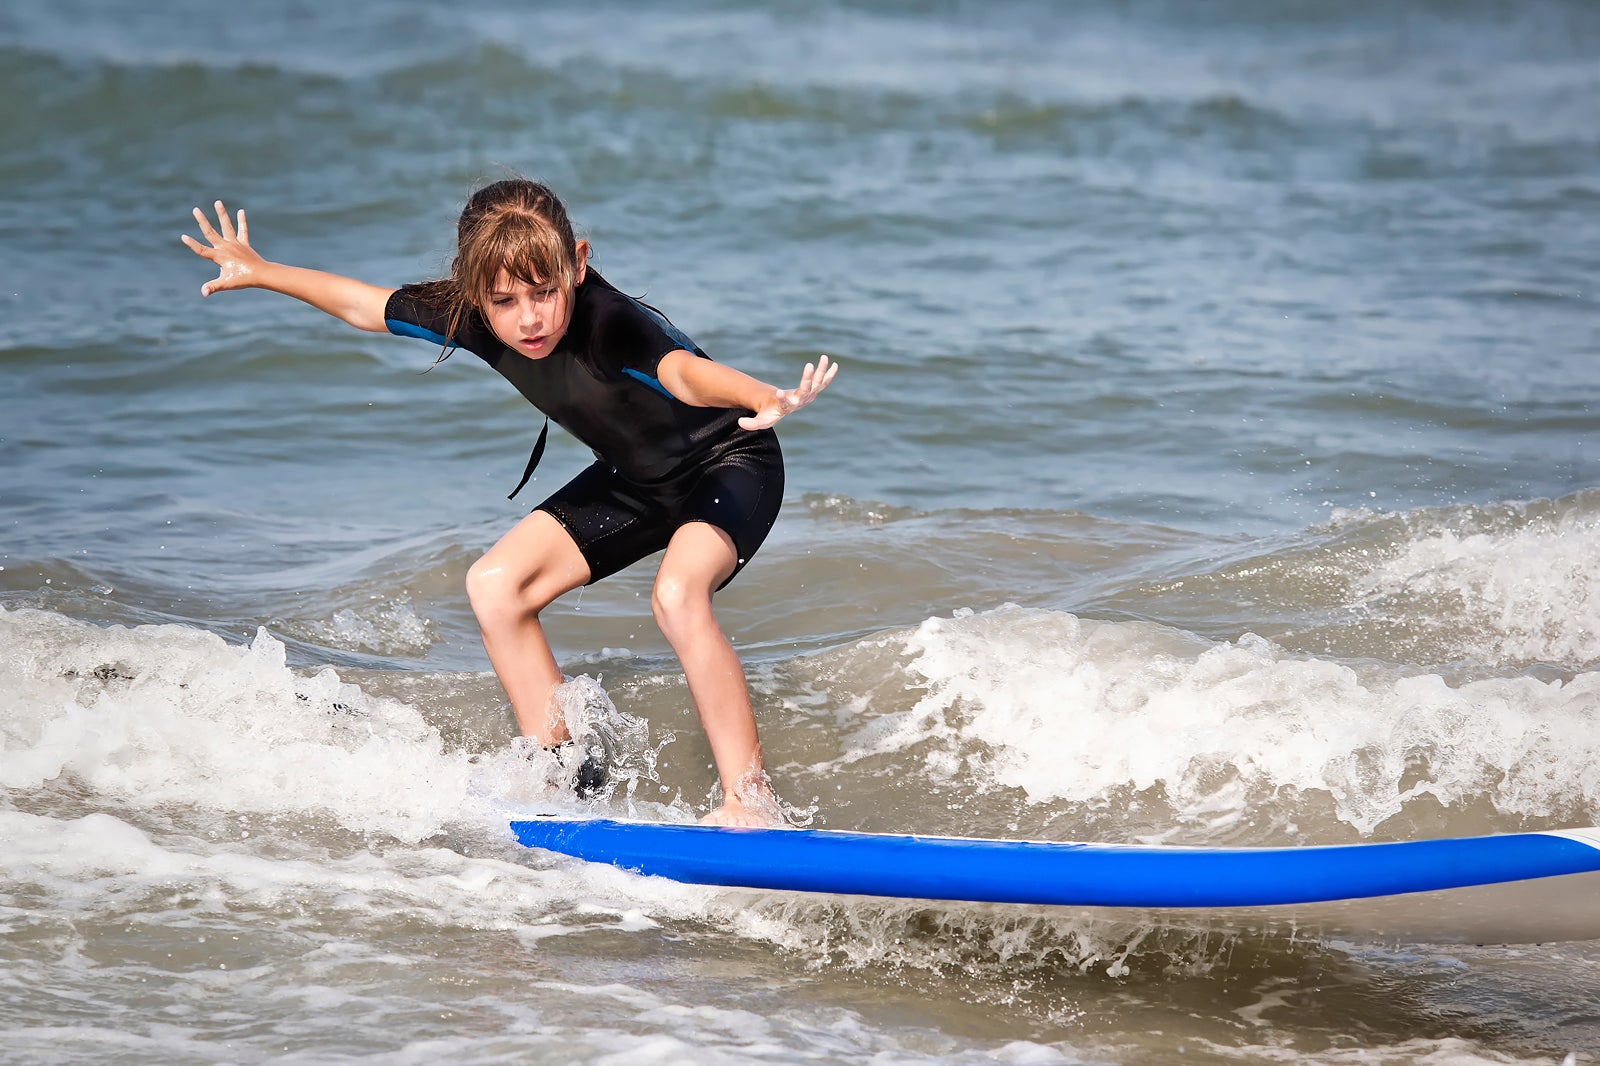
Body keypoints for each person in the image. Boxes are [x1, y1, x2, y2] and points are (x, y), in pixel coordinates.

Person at [182, 180, 837, 827]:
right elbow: (364, 305)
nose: (529, 317)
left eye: (545, 292)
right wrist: (265, 273)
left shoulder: (610, 322)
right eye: (505, 301)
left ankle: (751, 803)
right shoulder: (469, 316)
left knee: (677, 595)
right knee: (496, 587)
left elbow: (681, 373)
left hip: (729, 463)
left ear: (576, 264)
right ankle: (566, 781)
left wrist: (758, 395)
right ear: (474, 297)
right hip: (637, 480)